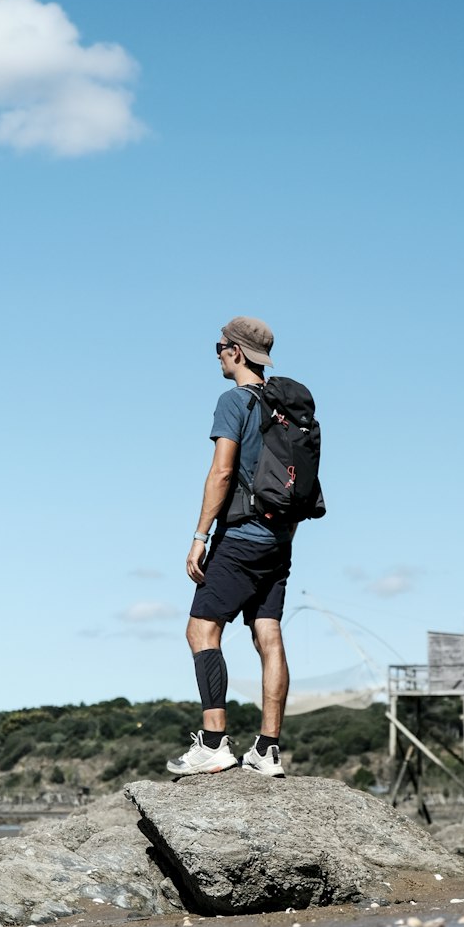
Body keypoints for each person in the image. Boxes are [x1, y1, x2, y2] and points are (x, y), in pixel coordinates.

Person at [167, 316, 292, 779]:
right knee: (269, 634)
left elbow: (221, 473)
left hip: (239, 538)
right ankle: (269, 749)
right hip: (280, 541)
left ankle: (215, 743)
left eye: (220, 346)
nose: (217, 353)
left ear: (236, 352)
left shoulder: (234, 401)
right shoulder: (287, 406)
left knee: (201, 631)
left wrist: (200, 537)